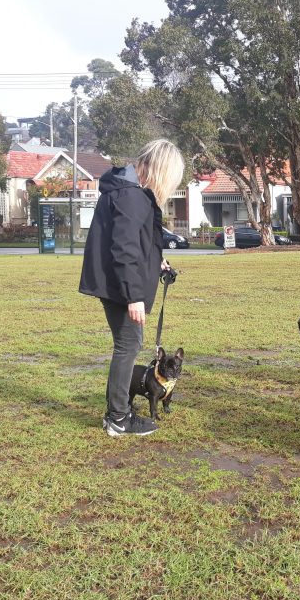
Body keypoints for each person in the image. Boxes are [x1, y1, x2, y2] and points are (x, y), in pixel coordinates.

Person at [79, 139, 185, 436]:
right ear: (159, 170)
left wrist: (157, 261)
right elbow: (123, 249)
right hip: (119, 287)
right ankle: (118, 418)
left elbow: (135, 241)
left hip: (114, 283)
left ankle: (117, 411)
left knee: (129, 344)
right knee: (128, 345)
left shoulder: (125, 190)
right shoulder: (131, 196)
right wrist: (134, 295)